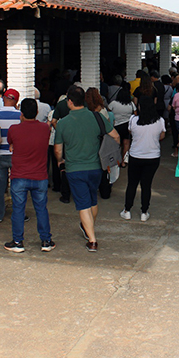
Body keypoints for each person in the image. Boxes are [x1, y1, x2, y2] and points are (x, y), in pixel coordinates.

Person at [54, 85, 120, 252]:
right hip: (96, 167)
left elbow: (58, 150)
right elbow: (116, 136)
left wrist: (60, 160)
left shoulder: (63, 123)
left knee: (83, 204)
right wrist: (109, 156)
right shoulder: (97, 117)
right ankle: (87, 227)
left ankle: (92, 240)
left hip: (74, 168)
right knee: (92, 200)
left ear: (70, 101)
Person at [4, 98, 54, 253]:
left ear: (21, 113)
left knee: (18, 210)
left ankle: (18, 241)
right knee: (41, 209)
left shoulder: (14, 129)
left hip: (19, 175)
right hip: (40, 176)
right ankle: (46, 240)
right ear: (37, 112)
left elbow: (11, 143)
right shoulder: (44, 129)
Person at [120, 96, 165, 222]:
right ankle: (144, 212)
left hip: (136, 156)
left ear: (140, 107)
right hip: (153, 156)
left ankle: (127, 210)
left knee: (132, 184)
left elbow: (130, 132)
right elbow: (162, 136)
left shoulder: (133, 119)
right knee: (146, 185)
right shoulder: (160, 121)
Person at [0, 89, 21, 223]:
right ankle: (19, 213)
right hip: (15, 156)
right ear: (16, 101)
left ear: (3, 98)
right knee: (18, 186)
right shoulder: (20, 116)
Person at [109, 83, 136, 166]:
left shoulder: (113, 103)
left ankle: (116, 161)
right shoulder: (131, 104)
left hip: (116, 126)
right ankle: (123, 162)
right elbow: (135, 114)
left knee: (116, 144)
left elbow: (108, 112)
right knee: (126, 144)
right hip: (127, 126)